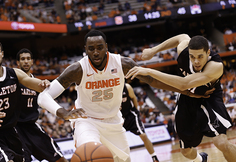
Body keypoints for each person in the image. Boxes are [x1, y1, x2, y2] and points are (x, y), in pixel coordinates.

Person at [37, 30, 201, 162]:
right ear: (85, 49)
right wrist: (62, 112)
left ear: (106, 47)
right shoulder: (77, 70)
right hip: (87, 121)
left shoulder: (123, 64)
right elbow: (43, 97)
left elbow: (152, 81)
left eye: (99, 47)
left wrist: (184, 90)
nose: (95, 52)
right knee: (89, 152)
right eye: (91, 48)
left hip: (114, 121)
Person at [126, 34, 236, 162]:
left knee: (222, 143)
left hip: (208, 100)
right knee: (186, 151)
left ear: (208, 53)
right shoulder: (184, 53)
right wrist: (153, 51)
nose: (196, 61)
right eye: (192, 56)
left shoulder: (215, 66)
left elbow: (184, 84)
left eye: (200, 56)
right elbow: (182, 37)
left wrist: (149, 71)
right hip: (186, 100)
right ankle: (201, 160)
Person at [15, 48, 68, 162]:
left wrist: (47, 84)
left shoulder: (38, 83)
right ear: (18, 63)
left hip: (32, 127)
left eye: (28, 59)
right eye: (23, 59)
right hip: (16, 128)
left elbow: (47, 98)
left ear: (32, 62)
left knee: (60, 159)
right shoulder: (12, 81)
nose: (26, 61)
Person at [121, 83, 159, 162]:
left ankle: (154, 157)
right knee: (118, 142)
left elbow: (134, 98)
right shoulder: (109, 90)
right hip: (118, 117)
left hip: (130, 115)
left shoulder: (127, 87)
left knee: (143, 136)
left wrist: (136, 110)